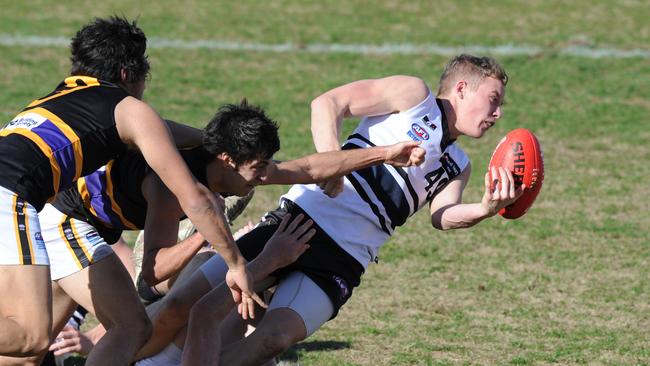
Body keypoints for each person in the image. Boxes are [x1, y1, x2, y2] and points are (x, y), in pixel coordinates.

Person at [142, 54, 526, 365]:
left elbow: (443, 216)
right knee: (184, 302)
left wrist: (485, 208)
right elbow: (328, 103)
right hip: (299, 221)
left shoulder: (458, 164)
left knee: (270, 341)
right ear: (461, 88)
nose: (498, 114)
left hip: (345, 258)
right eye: (493, 100)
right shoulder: (414, 96)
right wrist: (332, 162)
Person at [32, 100, 423, 363]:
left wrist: (385, 154)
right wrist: (209, 234)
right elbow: (152, 272)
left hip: (96, 223)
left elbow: (308, 168)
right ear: (227, 160)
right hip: (71, 219)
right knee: (136, 323)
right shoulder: (173, 185)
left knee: (31, 343)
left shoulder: (230, 162)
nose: (262, 178)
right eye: (257, 168)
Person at [0, 15, 257, 366]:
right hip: (10, 194)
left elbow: (164, 131)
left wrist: (213, 142)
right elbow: (194, 198)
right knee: (31, 336)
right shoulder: (128, 108)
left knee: (114, 331)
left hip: (17, 196)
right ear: (127, 74)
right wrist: (236, 263)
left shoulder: (66, 96)